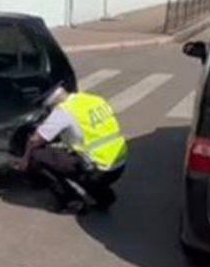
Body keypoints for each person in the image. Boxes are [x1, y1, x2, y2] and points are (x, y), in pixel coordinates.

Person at [16, 84, 128, 213]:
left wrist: (25, 159)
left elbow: (35, 139)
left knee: (37, 155)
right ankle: (104, 197)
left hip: (98, 170)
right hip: (118, 162)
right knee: (77, 160)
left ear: (51, 103)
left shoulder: (63, 111)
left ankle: (71, 202)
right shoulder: (93, 99)